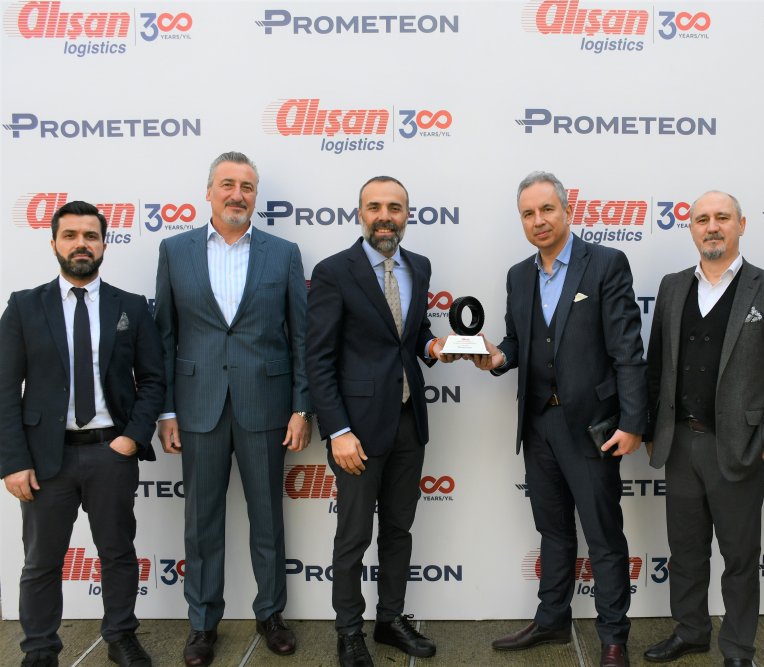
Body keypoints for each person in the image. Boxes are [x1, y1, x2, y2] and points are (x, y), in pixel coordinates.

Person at [460, 171, 646, 667]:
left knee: (603, 536)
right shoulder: (518, 275)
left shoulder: (605, 263)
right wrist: (497, 357)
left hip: (591, 427)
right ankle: (552, 620)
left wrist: (632, 422)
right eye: (528, 213)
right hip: (538, 424)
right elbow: (518, 342)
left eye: (546, 209)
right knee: (553, 530)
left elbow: (628, 350)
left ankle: (613, 637)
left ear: (567, 210)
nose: (538, 220)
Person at [154, 151, 312, 666]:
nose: (237, 194)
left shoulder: (282, 253)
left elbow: (301, 337)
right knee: (201, 522)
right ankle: (202, 623)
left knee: (268, 517)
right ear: (209, 191)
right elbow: (165, 337)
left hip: (266, 405)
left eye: (247, 186)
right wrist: (166, 411)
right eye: (227, 184)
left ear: (255, 195)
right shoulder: (174, 251)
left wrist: (302, 407)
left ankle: (271, 614)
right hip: (197, 406)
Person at [0, 201, 165, 667]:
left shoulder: (130, 306)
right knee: (41, 561)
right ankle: (39, 649)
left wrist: (131, 438)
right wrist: (14, 461)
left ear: (104, 244)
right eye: (70, 235)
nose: (81, 244)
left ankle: (121, 637)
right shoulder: (24, 306)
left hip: (110, 453)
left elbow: (153, 380)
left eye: (90, 236)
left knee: (117, 552)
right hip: (44, 459)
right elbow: (5, 387)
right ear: (53, 243)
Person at [643, 191, 764, 666]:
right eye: (702, 219)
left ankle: (737, 648)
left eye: (722, 218)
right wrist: (652, 430)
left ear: (741, 224)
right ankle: (691, 631)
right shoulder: (672, 287)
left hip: (737, 448)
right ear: (691, 228)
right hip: (679, 444)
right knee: (686, 552)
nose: (712, 227)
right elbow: (656, 365)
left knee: (739, 557)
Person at [306, 176, 444, 667]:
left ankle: (390, 619)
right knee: (353, 536)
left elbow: (414, 332)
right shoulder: (332, 272)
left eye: (395, 207)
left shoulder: (419, 266)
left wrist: (434, 345)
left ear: (407, 214)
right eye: (375, 207)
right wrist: (338, 432)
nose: (385, 216)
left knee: (399, 530)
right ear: (360, 213)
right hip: (357, 430)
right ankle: (349, 632)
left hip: (409, 421)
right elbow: (318, 359)